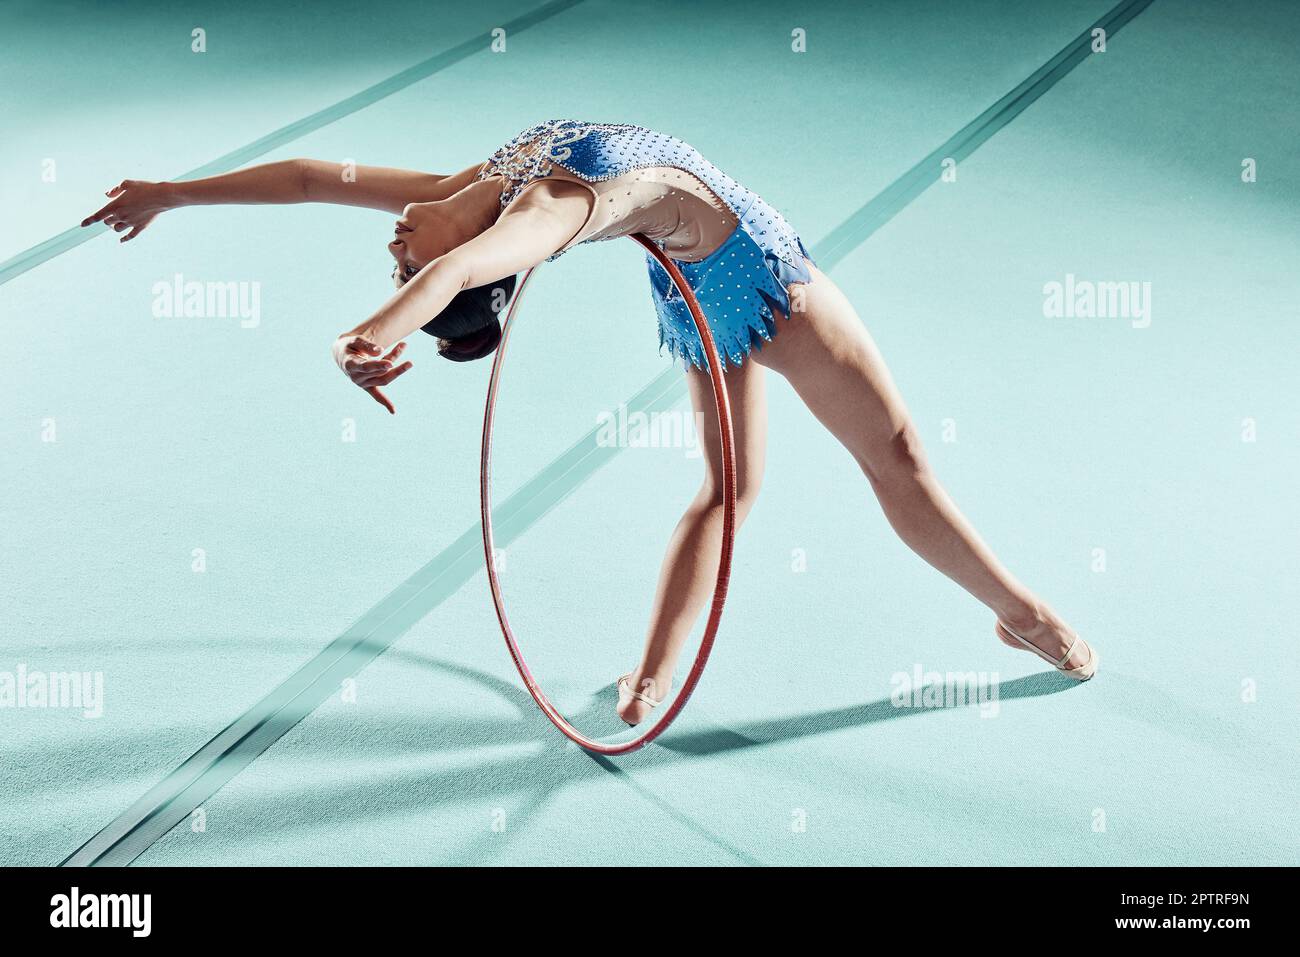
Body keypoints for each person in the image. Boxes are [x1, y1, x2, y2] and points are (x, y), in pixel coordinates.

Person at [82, 119, 1097, 727]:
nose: (395, 248)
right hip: (738, 283)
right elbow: (459, 269)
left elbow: (311, 179)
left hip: (733, 273)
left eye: (397, 264)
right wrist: (383, 320)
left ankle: (1015, 613)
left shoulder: (463, 195)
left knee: (890, 459)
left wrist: (171, 192)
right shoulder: (534, 219)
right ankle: (654, 674)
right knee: (764, 484)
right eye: (403, 269)